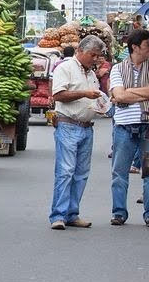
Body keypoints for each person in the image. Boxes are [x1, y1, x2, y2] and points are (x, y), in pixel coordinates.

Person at [49, 35, 106, 230]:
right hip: (68, 125)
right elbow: (58, 95)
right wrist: (84, 94)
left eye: (98, 56)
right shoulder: (65, 68)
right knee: (65, 172)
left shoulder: (90, 73)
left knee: (81, 174)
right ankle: (58, 215)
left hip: (86, 127)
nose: (95, 59)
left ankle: (72, 213)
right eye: (93, 55)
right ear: (80, 51)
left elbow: (92, 98)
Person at [109, 28, 149, 226]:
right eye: (146, 45)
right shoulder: (117, 68)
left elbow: (123, 95)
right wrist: (142, 93)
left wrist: (128, 92)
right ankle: (119, 213)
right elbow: (119, 95)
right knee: (119, 172)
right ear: (135, 47)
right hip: (124, 126)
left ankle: (148, 214)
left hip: (147, 126)